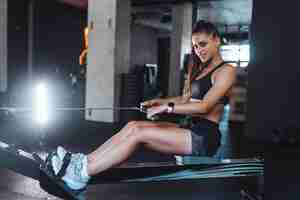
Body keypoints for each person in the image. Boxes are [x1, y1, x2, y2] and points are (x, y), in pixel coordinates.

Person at [48, 20, 236, 194]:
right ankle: (83, 162)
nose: (198, 50)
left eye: (202, 44)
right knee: (133, 126)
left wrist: (167, 108)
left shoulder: (226, 71)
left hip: (203, 138)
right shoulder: (201, 70)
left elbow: (205, 106)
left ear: (216, 40)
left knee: (139, 135)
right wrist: (159, 102)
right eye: (195, 46)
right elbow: (185, 99)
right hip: (190, 128)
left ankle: (81, 175)